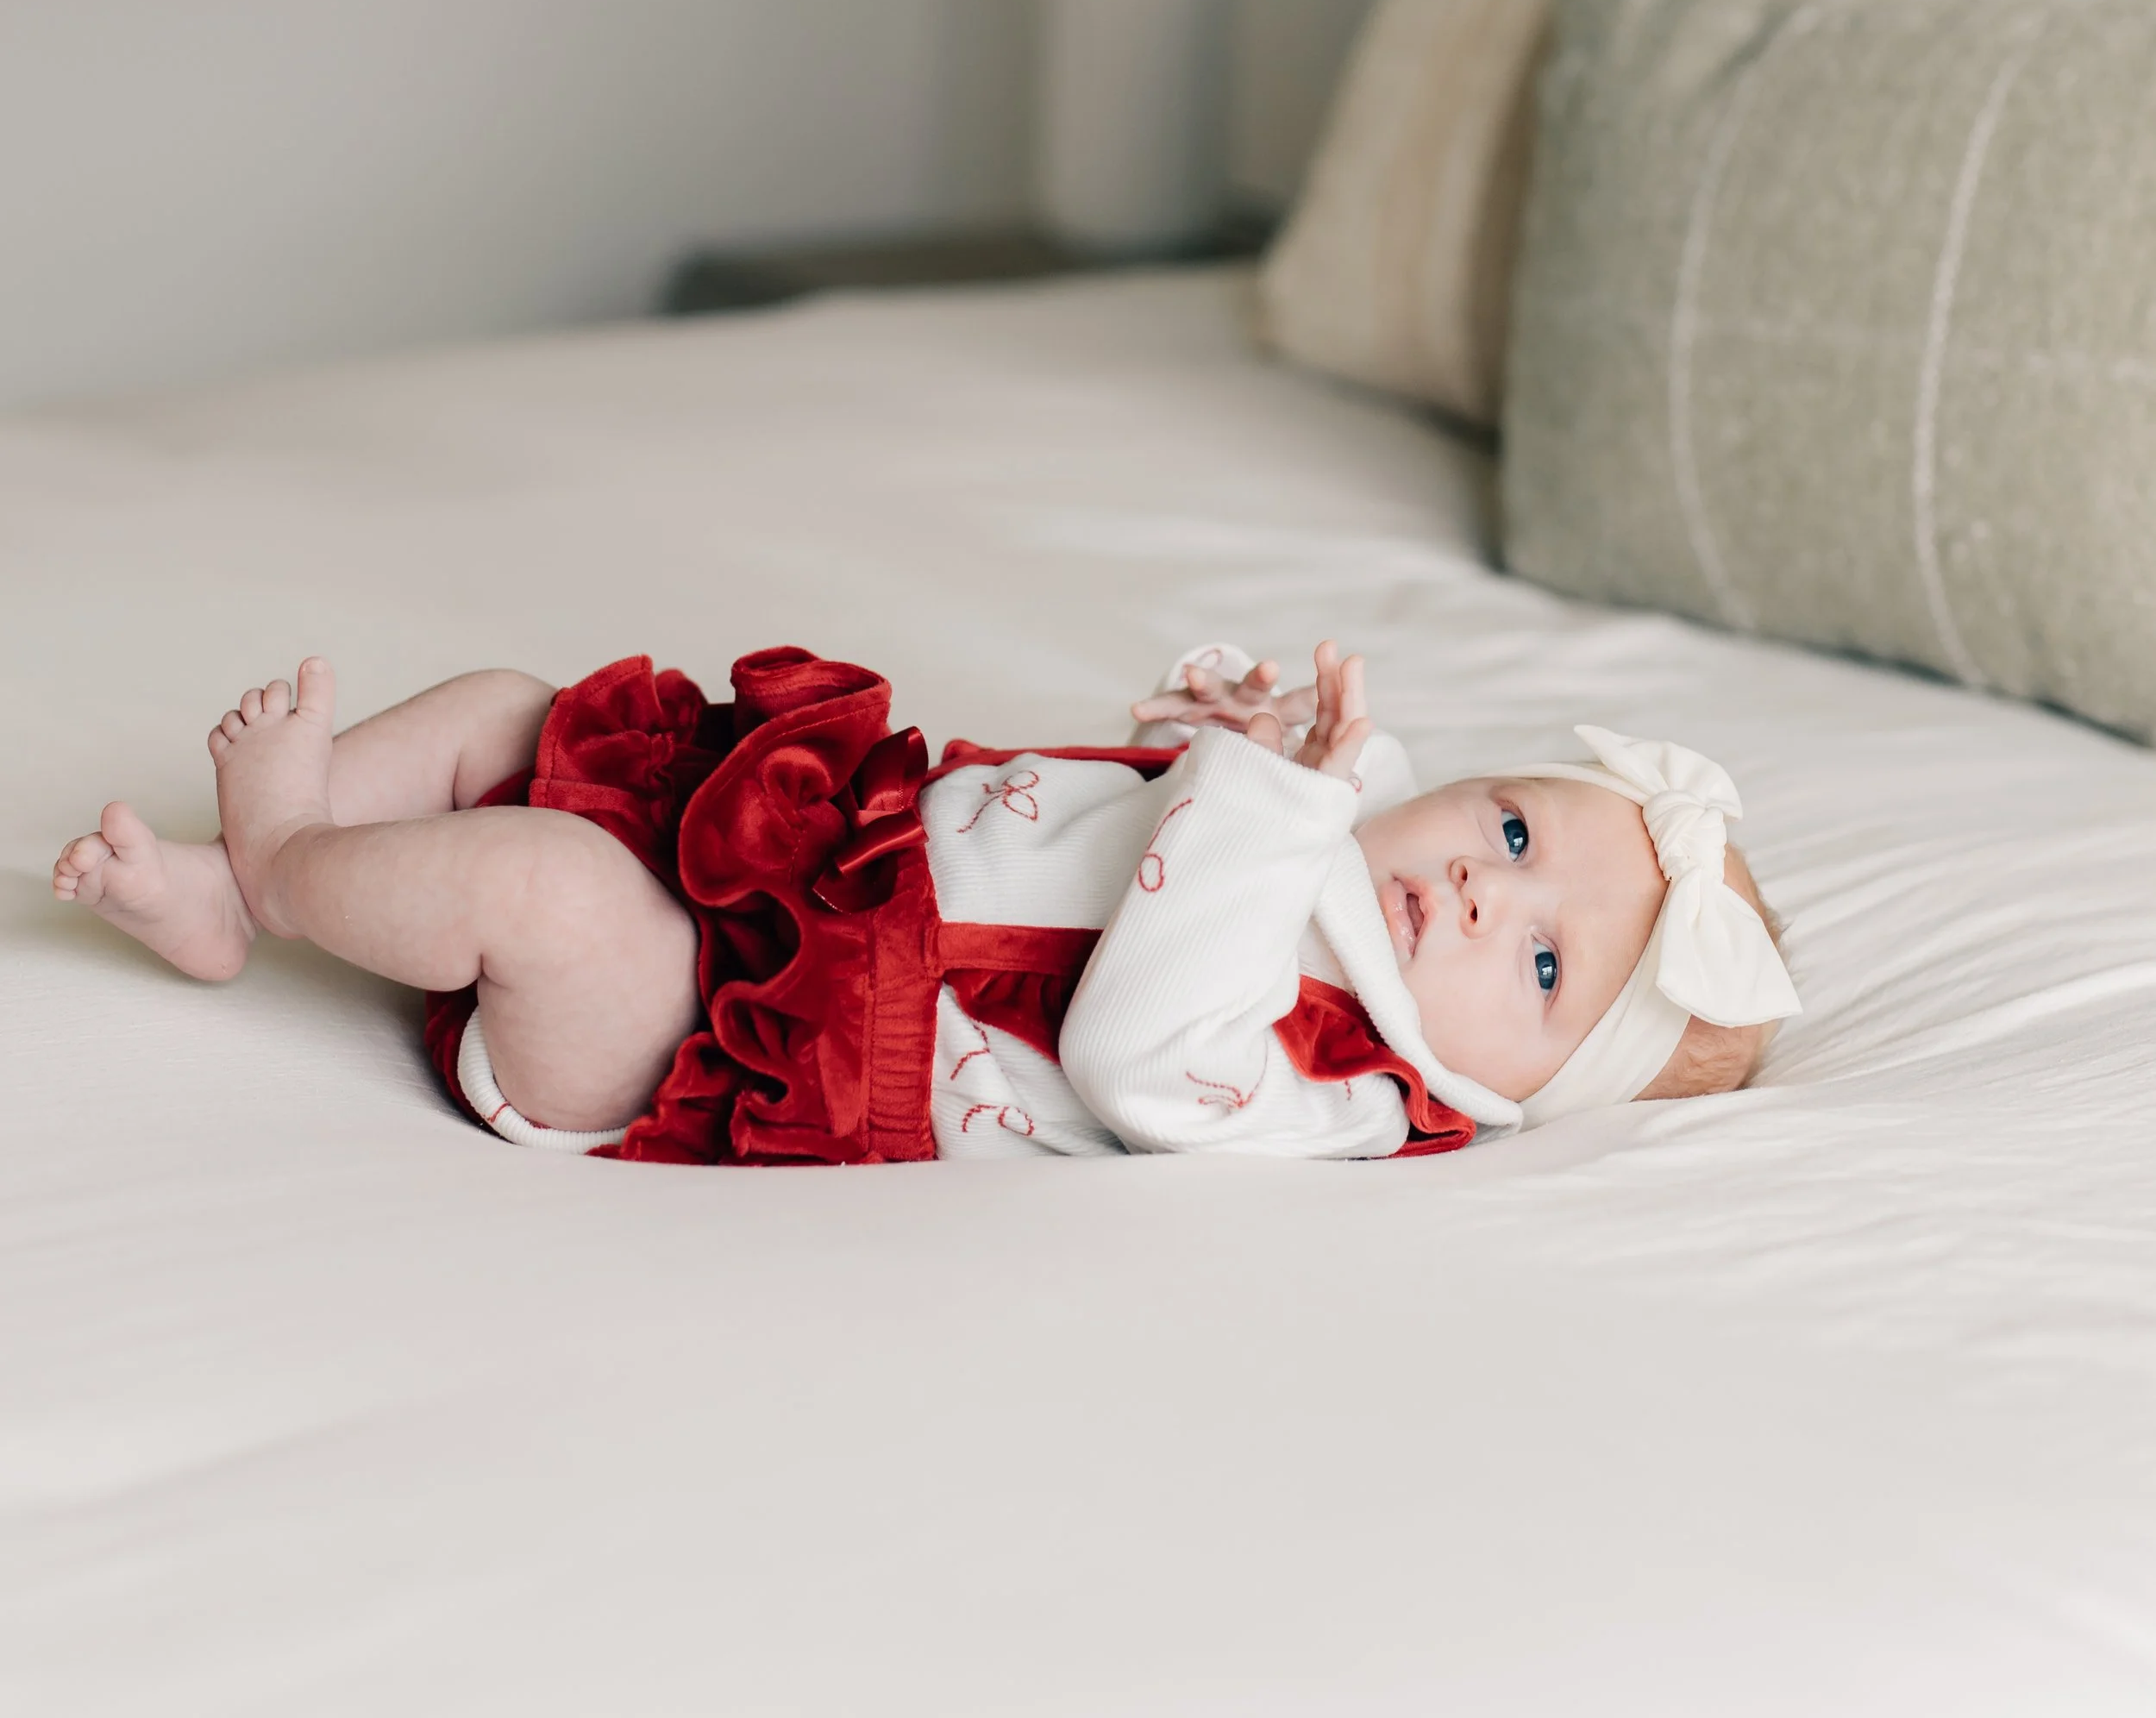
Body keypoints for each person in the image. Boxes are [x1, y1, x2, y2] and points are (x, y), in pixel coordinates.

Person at [51, 639, 1801, 1164]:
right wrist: (1228, 739)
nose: (1485, 897)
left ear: (1511, 1090)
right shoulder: (1328, 824)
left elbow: (1134, 1050)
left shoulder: (1341, 1083)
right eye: (1513, 832)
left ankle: (287, 864)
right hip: (786, 847)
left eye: (1547, 964)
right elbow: (1114, 822)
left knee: (549, 887)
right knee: (517, 712)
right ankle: (220, 897)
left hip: (720, 1034)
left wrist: (1266, 803)